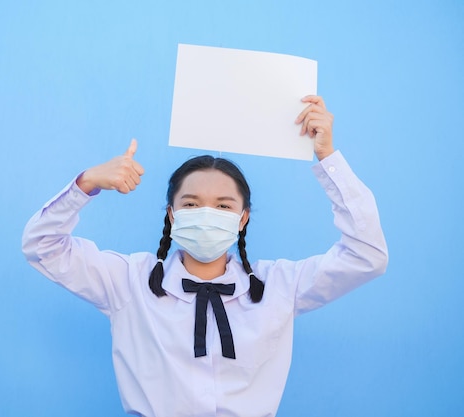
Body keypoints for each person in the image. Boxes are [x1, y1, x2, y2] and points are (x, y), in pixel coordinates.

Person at [21, 96, 388, 417]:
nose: (207, 213)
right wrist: (86, 183)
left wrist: (328, 159)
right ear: (172, 214)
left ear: (242, 217)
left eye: (223, 205)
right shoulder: (128, 281)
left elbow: (366, 255)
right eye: (192, 204)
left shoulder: (280, 287)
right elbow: (42, 245)